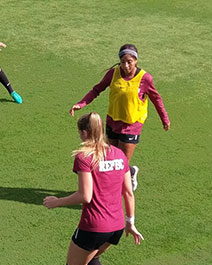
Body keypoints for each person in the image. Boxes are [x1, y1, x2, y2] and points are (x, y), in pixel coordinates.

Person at [43, 112, 144, 265]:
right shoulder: (119, 154)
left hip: (94, 225)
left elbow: (85, 196)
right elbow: (128, 192)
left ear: (85, 133)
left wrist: (57, 202)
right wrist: (131, 222)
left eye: (79, 132)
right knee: (94, 258)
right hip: (116, 225)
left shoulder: (84, 158)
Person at [69, 44, 170, 190]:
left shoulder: (145, 78)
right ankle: (131, 172)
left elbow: (156, 99)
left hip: (132, 125)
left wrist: (164, 119)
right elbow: (97, 89)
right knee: (109, 160)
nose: (126, 65)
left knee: (118, 164)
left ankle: (110, 193)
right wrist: (81, 104)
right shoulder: (113, 73)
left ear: (136, 60)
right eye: (123, 62)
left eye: (129, 61)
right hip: (113, 121)